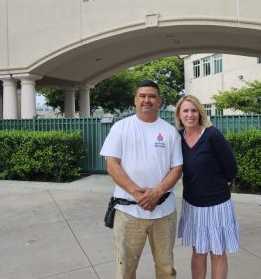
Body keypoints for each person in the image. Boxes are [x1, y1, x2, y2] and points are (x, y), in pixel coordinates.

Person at [100, 80, 183, 279]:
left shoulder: (170, 132)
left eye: (152, 96)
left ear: (159, 101)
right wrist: (138, 194)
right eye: (143, 96)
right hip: (128, 212)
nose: (147, 100)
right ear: (135, 100)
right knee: (125, 269)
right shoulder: (121, 128)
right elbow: (112, 164)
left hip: (164, 212)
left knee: (166, 268)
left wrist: (156, 193)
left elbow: (177, 168)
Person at [174, 95, 240, 279]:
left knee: (217, 252)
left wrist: (214, 187)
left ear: (200, 113)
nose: (190, 114)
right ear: (179, 114)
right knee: (198, 251)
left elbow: (231, 169)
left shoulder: (212, 135)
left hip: (217, 204)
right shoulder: (177, 138)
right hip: (193, 204)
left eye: (194, 110)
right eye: (185, 110)